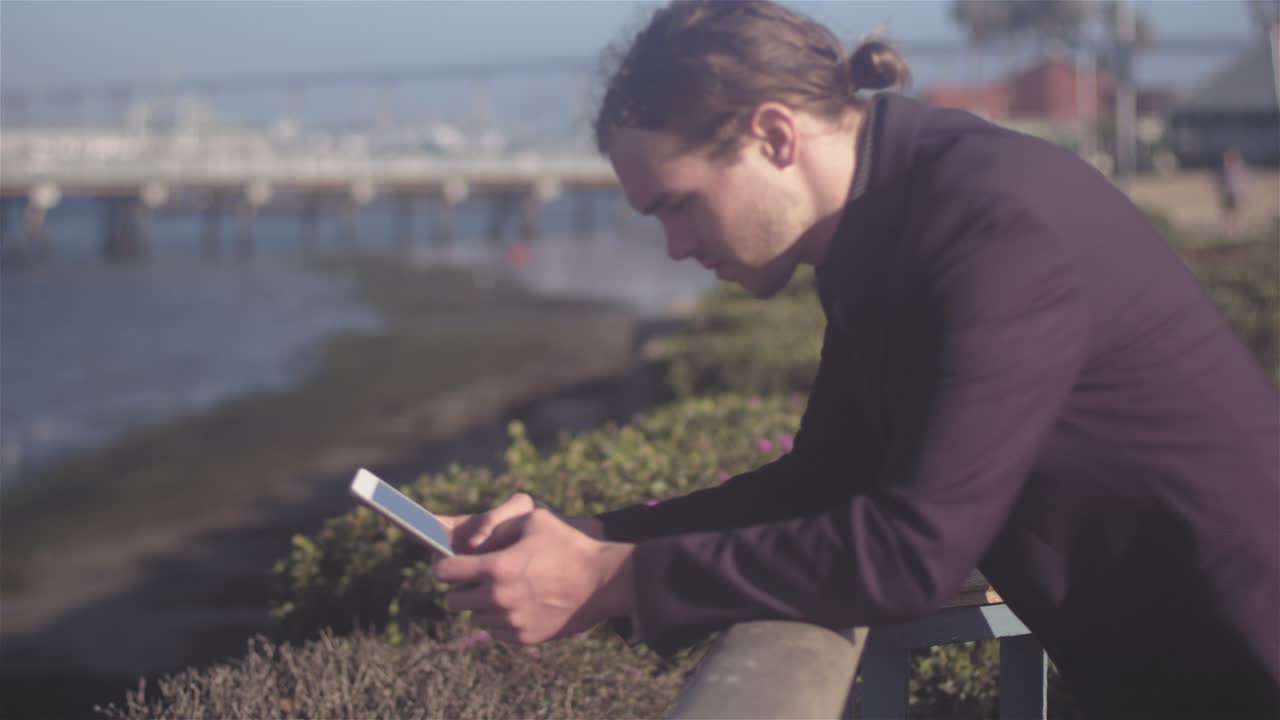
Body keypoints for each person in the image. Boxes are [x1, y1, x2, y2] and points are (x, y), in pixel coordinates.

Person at [434, 1, 1280, 716]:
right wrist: (582, 541)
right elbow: (830, 479)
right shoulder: (892, 214)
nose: (675, 247)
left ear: (774, 136)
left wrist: (617, 580)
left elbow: (911, 553)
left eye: (680, 206)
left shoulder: (989, 224)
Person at [1217, 147, 1250, 238]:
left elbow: (1242, 184)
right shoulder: (1226, 172)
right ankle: (1231, 230)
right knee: (1229, 213)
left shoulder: (1237, 171)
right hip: (1229, 195)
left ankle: (1236, 230)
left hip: (1236, 195)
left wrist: (1242, 194)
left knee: (1236, 213)